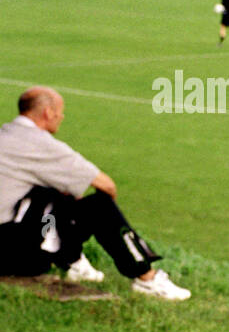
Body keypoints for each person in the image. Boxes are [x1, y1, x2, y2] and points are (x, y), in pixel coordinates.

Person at [0, 87, 191, 300]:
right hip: (12, 256)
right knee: (99, 206)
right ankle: (147, 279)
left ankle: (72, 260)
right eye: (60, 112)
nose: (61, 117)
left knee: (57, 193)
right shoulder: (38, 144)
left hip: (6, 242)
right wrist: (104, 216)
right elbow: (106, 185)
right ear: (48, 113)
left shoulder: (5, 134)